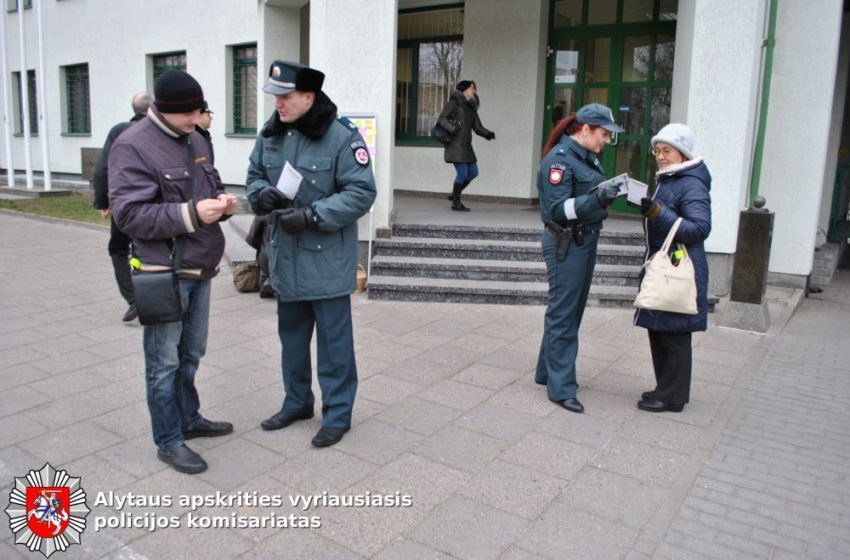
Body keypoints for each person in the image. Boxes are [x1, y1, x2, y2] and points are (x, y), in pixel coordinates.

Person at [109, 70, 239, 474]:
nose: (195, 119)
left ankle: (189, 418)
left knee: (191, 353)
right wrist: (191, 214)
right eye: (186, 113)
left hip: (200, 265)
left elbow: (203, 188)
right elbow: (129, 214)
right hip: (164, 270)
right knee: (163, 362)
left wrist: (222, 203)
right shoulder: (131, 145)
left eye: (198, 110)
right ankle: (168, 441)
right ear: (161, 110)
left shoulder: (196, 138)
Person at [246, 60, 376, 448]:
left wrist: (314, 214)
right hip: (285, 259)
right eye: (275, 97)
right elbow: (253, 176)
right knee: (292, 339)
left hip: (325, 259)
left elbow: (361, 193)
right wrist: (259, 195)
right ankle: (297, 402)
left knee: (335, 346)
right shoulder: (271, 133)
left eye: (285, 97)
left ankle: (337, 414)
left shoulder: (340, 137)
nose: (278, 104)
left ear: (309, 96)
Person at [534, 103, 624, 414]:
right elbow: (558, 209)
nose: (606, 141)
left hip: (583, 240)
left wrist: (602, 198)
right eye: (604, 134)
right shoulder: (559, 161)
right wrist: (596, 199)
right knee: (563, 313)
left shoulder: (584, 157)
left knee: (569, 309)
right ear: (584, 130)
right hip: (567, 242)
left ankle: (547, 372)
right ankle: (561, 388)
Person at [635, 123, 712, 413]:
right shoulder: (673, 179)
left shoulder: (690, 182)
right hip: (669, 265)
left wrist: (659, 213)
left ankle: (673, 397)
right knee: (661, 329)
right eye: (657, 150)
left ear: (682, 152)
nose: (660, 155)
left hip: (679, 268)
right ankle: (665, 388)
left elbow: (700, 228)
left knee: (674, 334)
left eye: (666, 150)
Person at [92, 92, 153, 322]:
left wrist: (103, 201)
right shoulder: (160, 132)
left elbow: (103, 168)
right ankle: (150, 298)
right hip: (151, 205)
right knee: (147, 250)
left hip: (123, 204)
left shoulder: (119, 131)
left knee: (118, 250)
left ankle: (134, 299)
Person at [437, 80, 495, 212]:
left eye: (474, 89)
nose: (474, 91)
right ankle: (456, 203)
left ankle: (454, 194)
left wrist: (488, 134)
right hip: (454, 144)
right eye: (472, 88)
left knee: (473, 172)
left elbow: (477, 127)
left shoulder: (471, 107)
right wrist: (453, 129)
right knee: (462, 173)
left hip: (467, 146)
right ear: (464, 90)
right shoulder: (454, 103)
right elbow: (442, 119)